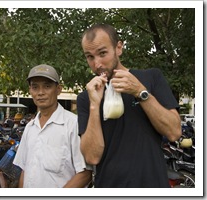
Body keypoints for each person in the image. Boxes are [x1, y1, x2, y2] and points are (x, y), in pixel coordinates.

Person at [77, 24, 182, 188]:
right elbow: (92, 157)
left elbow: (174, 132)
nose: (97, 64)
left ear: (119, 47)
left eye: (102, 53)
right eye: (90, 56)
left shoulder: (151, 78)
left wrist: (140, 92)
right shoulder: (86, 97)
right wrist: (94, 105)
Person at [13, 64, 92, 188]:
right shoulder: (30, 127)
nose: (40, 93)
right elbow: (25, 170)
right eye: (35, 87)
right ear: (30, 90)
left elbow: (84, 173)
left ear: (59, 89)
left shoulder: (73, 124)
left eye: (47, 86)